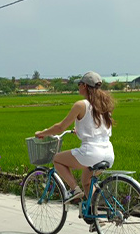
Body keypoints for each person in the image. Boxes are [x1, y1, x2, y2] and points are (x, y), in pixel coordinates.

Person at [35, 71, 115, 207]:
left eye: (79, 84)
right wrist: (80, 131)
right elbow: (96, 126)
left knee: (57, 159)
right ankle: (94, 214)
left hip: (91, 152)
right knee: (86, 181)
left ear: (84, 86)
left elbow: (60, 127)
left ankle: (74, 190)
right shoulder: (103, 104)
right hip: (108, 153)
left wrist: (43, 133)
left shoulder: (80, 105)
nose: (78, 87)